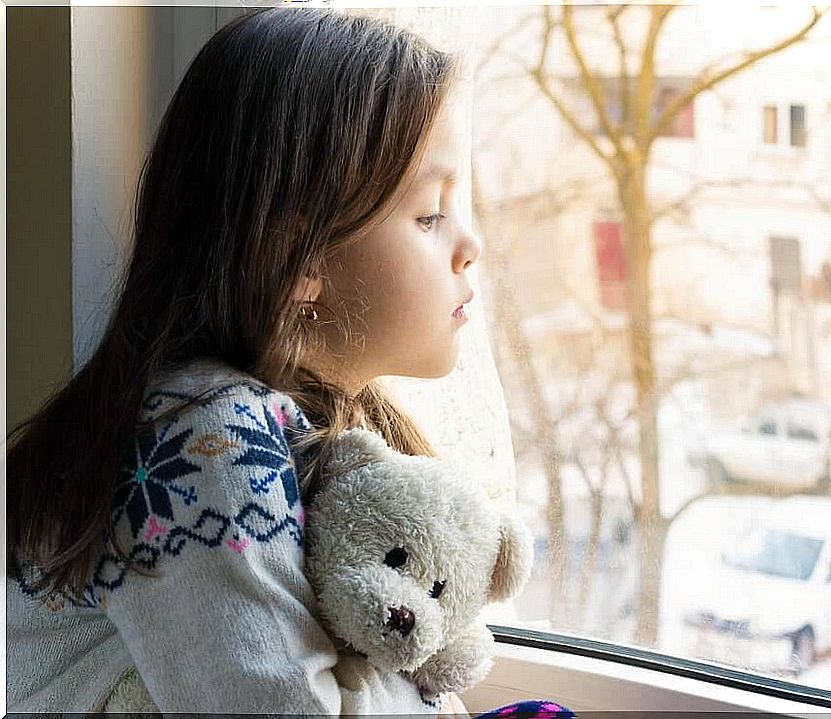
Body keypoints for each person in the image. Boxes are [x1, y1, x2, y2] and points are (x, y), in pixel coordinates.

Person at [5, 7, 575, 719]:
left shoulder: (336, 435)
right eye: (430, 214)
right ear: (299, 259)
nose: (471, 245)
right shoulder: (201, 442)